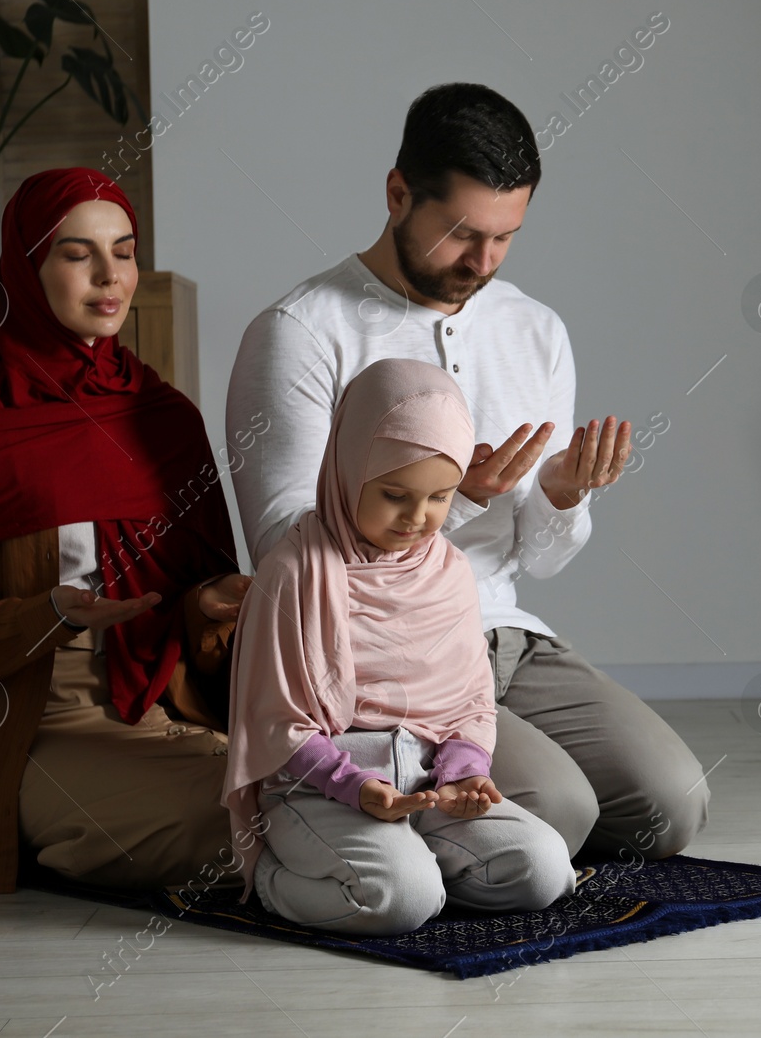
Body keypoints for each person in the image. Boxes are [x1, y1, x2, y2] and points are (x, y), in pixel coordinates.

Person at [226, 82, 708, 864]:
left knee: (674, 803)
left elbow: (542, 560)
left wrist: (558, 496)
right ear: (397, 194)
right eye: (460, 233)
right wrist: (453, 501)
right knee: (560, 805)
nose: (482, 262)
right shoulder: (302, 331)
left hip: (504, 630)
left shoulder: (534, 330)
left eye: (505, 237)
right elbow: (283, 546)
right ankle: (419, 830)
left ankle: (482, 839)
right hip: (380, 654)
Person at [0, 167, 252, 894]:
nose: (110, 275)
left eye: (124, 250)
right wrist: (49, 613)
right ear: (27, 267)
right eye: (77, 253)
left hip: (161, 709)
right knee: (228, 824)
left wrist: (208, 602)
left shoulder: (166, 420)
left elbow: (188, 620)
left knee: (302, 791)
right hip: (28, 726)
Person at [224, 358, 575, 935]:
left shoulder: (450, 570)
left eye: (441, 496)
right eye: (394, 494)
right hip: (320, 786)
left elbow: (469, 702)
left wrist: (462, 774)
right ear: (348, 466)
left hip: (427, 782)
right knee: (398, 902)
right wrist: (355, 787)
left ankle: (418, 868)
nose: (419, 518)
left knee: (544, 872)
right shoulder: (294, 569)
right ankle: (271, 879)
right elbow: (276, 722)